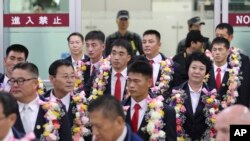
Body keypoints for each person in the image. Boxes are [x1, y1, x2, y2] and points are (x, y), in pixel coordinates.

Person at [9, 62, 72, 141]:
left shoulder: (56, 108)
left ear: (35, 83)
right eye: (12, 81)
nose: (15, 85)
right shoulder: (5, 110)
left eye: (20, 80)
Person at [123, 61, 176, 141]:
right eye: (129, 80)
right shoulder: (118, 109)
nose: (131, 85)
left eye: (136, 81)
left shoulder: (166, 112)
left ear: (149, 82)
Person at [169, 52, 217, 140]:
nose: (197, 71)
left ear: (206, 72)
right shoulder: (175, 93)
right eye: (193, 68)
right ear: (188, 69)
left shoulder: (213, 96)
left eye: (201, 69)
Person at [44, 59, 91, 140]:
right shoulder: (42, 103)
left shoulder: (83, 104)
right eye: (65, 77)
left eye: (72, 76)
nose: (70, 81)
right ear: (52, 79)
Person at [215, 23, 250, 107]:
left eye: (222, 36)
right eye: (217, 35)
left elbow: (245, 88)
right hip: (211, 109)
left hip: (234, 108)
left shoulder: (242, 59)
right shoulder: (209, 58)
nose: (219, 38)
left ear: (231, 37)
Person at [141, 29, 181, 95]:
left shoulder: (173, 66)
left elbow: (176, 91)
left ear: (159, 45)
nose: (146, 45)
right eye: (144, 42)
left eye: (150, 42)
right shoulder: (135, 64)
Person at [207, 37, 231, 106]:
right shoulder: (206, 70)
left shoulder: (234, 72)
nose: (217, 52)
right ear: (211, 52)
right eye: (214, 50)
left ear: (228, 51)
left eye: (220, 49)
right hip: (208, 112)